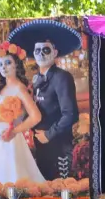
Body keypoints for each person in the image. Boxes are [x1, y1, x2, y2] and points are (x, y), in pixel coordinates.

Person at [8, 19, 81, 181]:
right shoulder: (36, 78)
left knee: (61, 189)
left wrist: (49, 134)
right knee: (44, 187)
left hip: (59, 145)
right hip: (41, 145)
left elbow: (70, 114)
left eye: (46, 50)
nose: (41, 54)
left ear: (55, 53)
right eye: (37, 50)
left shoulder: (62, 77)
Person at [0, 42, 44, 189]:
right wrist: (0, 118)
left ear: (16, 65)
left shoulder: (20, 89)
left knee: (11, 178)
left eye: (8, 63)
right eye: (0, 64)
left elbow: (36, 116)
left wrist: (14, 131)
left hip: (9, 140)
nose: (3, 67)